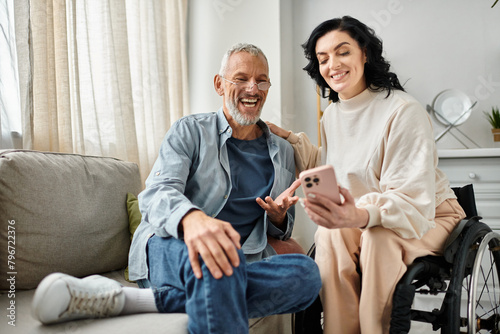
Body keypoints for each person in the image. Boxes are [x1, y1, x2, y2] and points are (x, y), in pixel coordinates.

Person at [31, 43, 321, 334]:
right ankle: (212, 276)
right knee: (214, 260)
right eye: (241, 78)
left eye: (261, 80)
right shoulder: (190, 131)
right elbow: (157, 193)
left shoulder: (282, 152)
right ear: (220, 85)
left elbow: (279, 233)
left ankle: (136, 300)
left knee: (307, 274)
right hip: (171, 242)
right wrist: (192, 220)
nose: (253, 88)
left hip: (242, 257)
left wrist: (278, 218)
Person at [268, 17, 466, 334]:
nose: (333, 65)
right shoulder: (332, 115)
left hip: (427, 216)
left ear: (365, 54)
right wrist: (290, 141)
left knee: (378, 236)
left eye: (342, 52)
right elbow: (342, 167)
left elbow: (411, 199)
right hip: (365, 216)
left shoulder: (403, 110)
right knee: (330, 234)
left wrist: (361, 215)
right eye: (323, 59)